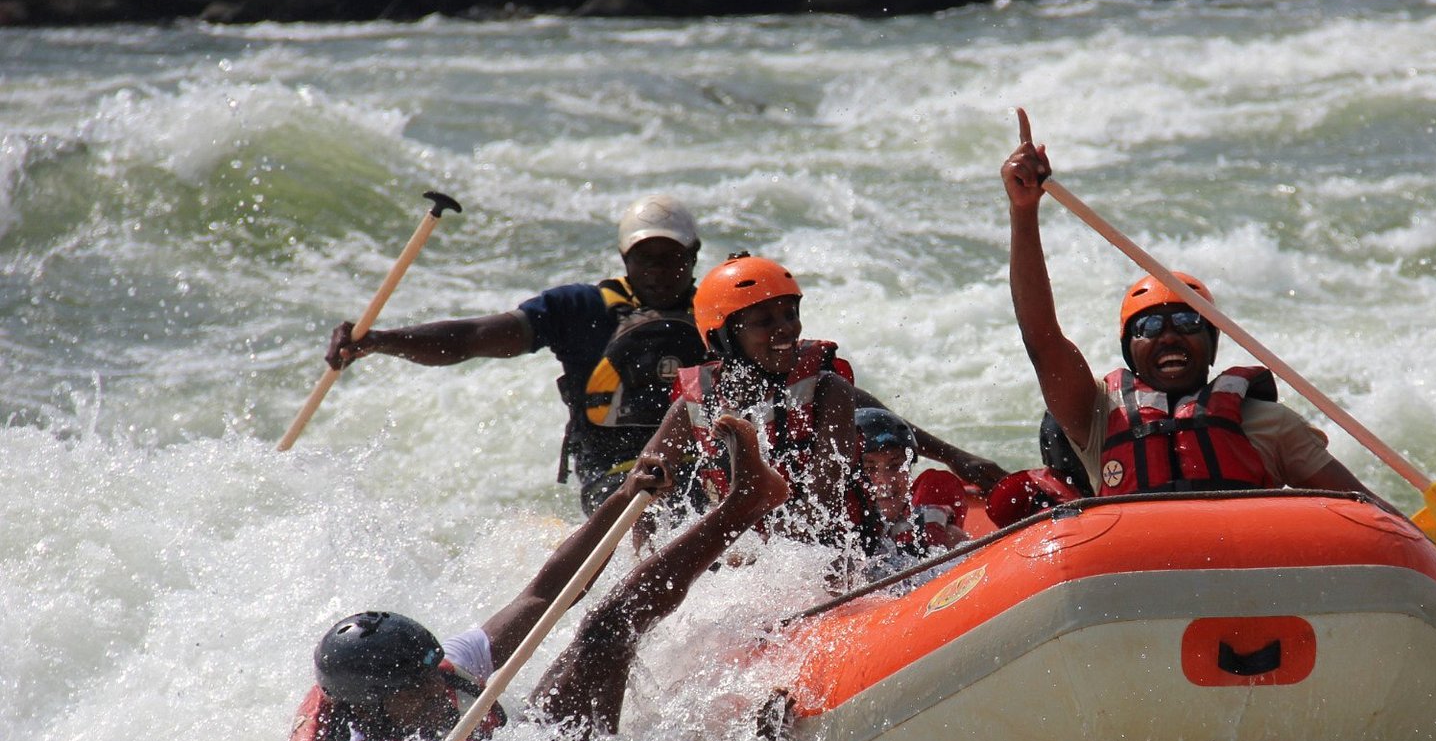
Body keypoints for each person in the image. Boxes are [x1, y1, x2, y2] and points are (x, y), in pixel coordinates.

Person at [286, 416, 788, 741]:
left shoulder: (440, 670)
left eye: (429, 676)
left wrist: (622, 498)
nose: (438, 690)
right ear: (370, 712)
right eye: (415, 691)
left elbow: (547, 594)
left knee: (605, 630)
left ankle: (746, 504)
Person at [999, 110, 1391, 505]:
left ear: (1212, 341)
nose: (1168, 335)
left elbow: (1367, 510)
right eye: (1148, 327)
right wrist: (1023, 211)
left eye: (1187, 321)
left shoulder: (1271, 424)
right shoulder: (1096, 414)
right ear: (1129, 350)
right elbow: (1042, 339)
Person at [325, 194, 709, 514]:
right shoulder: (578, 309)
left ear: (693, 257)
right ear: (625, 258)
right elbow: (471, 337)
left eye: (671, 257)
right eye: (646, 258)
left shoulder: (721, 311)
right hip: (615, 476)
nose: (659, 271)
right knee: (659, 508)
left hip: (703, 469)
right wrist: (379, 340)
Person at [636, 253, 863, 545]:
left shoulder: (828, 390)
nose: (786, 328)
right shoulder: (695, 405)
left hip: (830, 553)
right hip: (741, 556)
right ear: (724, 337)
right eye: (764, 321)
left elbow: (823, 508)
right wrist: (643, 553)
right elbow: (641, 491)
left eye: (790, 314)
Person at [854, 406, 968, 567]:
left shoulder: (945, 536)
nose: (884, 481)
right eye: (869, 469)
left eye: (895, 466)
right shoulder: (827, 540)